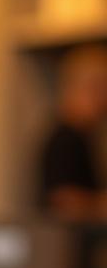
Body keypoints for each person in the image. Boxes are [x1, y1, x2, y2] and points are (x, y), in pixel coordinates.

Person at [38, 45, 107, 218]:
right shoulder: (65, 138)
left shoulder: (83, 137)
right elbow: (63, 201)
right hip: (63, 242)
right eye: (99, 88)